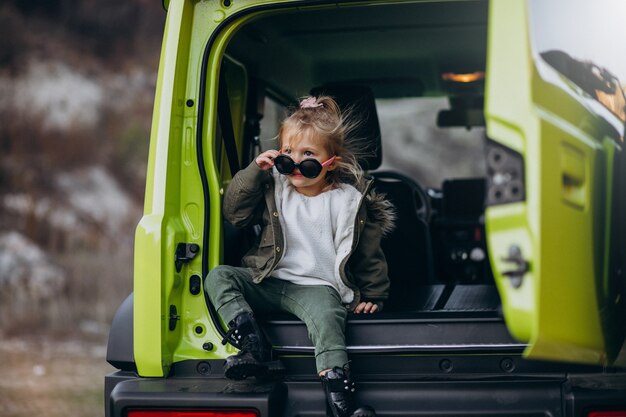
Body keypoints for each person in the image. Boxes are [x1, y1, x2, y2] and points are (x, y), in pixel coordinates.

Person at [205, 95, 395, 417]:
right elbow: (233, 213)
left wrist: (375, 292)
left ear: (330, 161)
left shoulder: (346, 201)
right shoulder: (273, 186)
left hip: (316, 287)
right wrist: (255, 170)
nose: (295, 163)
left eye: (308, 154)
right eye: (288, 153)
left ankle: (340, 402)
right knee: (219, 276)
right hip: (267, 278)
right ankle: (254, 348)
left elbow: (366, 251)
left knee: (328, 321)